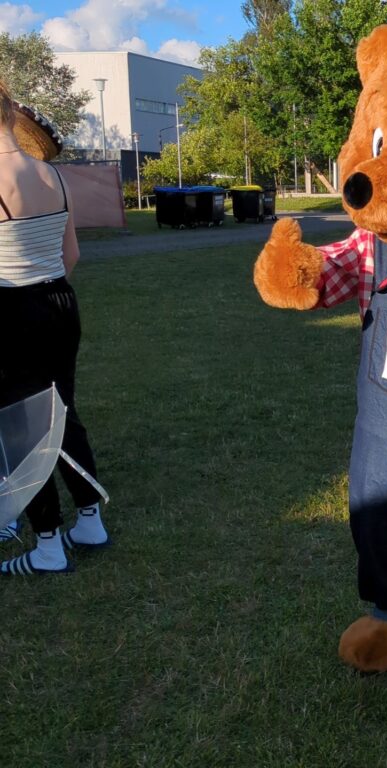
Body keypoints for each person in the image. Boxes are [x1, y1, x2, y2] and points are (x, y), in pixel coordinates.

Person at [0, 80, 110, 575]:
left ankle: (47, 544)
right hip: (61, 303)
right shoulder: (53, 176)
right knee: (61, 413)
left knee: (24, 426)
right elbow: (72, 254)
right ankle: (90, 521)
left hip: (13, 311)